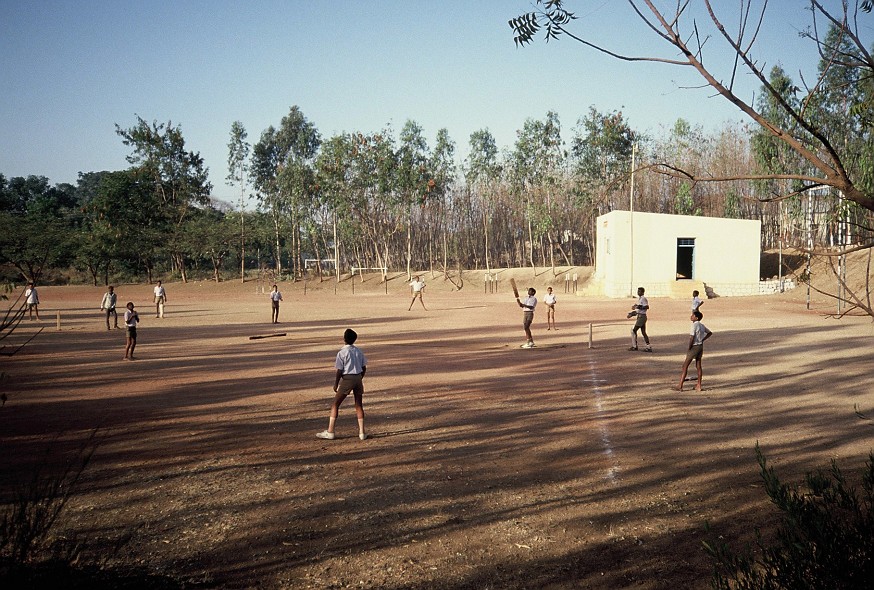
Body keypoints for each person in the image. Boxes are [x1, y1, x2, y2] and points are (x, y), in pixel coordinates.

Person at [317, 328, 368, 441]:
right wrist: (360, 378)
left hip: (347, 378)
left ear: (344, 339)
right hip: (358, 377)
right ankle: (362, 432)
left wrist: (336, 383)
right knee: (358, 404)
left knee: (336, 404)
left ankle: (330, 431)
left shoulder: (342, 352)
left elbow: (339, 370)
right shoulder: (359, 351)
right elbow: (364, 367)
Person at [674, 310, 713, 391]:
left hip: (694, 346)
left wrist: (689, 347)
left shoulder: (694, 326)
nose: (691, 316)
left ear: (696, 318)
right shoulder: (702, 325)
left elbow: (692, 337)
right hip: (700, 346)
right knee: (698, 366)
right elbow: (709, 333)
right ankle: (699, 385)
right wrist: (702, 339)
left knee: (685, 366)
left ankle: (680, 385)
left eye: (693, 315)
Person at [628, 286, 652, 352]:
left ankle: (634, 346)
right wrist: (632, 313)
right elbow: (638, 310)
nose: (638, 292)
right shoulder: (640, 299)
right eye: (638, 291)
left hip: (642, 317)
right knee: (643, 332)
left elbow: (646, 306)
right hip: (640, 316)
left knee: (633, 330)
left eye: (639, 291)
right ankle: (648, 346)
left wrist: (637, 306)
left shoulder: (643, 299)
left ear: (643, 292)